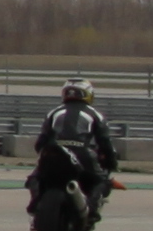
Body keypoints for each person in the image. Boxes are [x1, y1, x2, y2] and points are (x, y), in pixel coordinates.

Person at [30, 78, 119, 211]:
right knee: (101, 181)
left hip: (54, 152)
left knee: (35, 178)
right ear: (88, 94)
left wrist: (45, 154)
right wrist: (111, 163)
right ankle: (91, 209)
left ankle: (36, 203)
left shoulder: (54, 112)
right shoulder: (95, 114)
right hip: (82, 154)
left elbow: (40, 143)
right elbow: (105, 142)